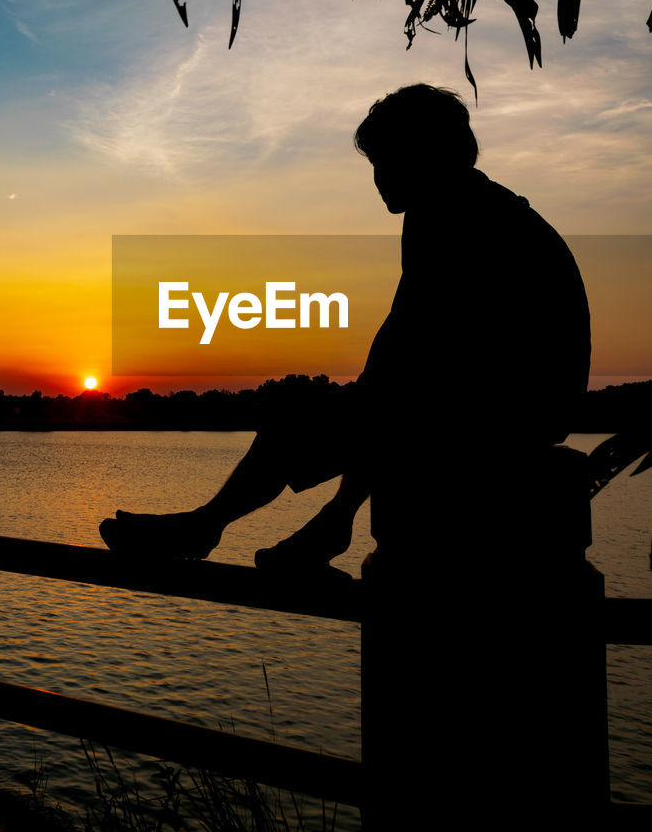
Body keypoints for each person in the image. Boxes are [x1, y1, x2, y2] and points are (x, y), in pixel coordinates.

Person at [100, 83, 590, 574]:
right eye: (375, 163)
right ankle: (308, 523)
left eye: (387, 159)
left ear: (425, 154)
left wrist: (348, 411)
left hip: (513, 409)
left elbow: (417, 353)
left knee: (309, 417)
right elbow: (407, 344)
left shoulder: (461, 217)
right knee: (365, 401)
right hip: (502, 399)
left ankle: (230, 525)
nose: (378, 178)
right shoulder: (458, 205)